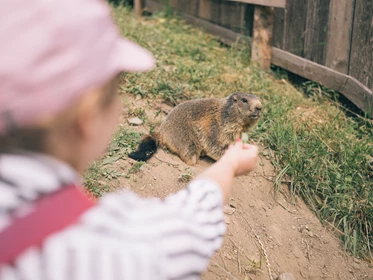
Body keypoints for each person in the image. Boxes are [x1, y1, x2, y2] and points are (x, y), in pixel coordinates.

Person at [0, 0, 259, 279]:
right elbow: (189, 229)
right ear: (86, 118)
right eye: (116, 93)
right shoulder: (109, 244)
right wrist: (229, 165)